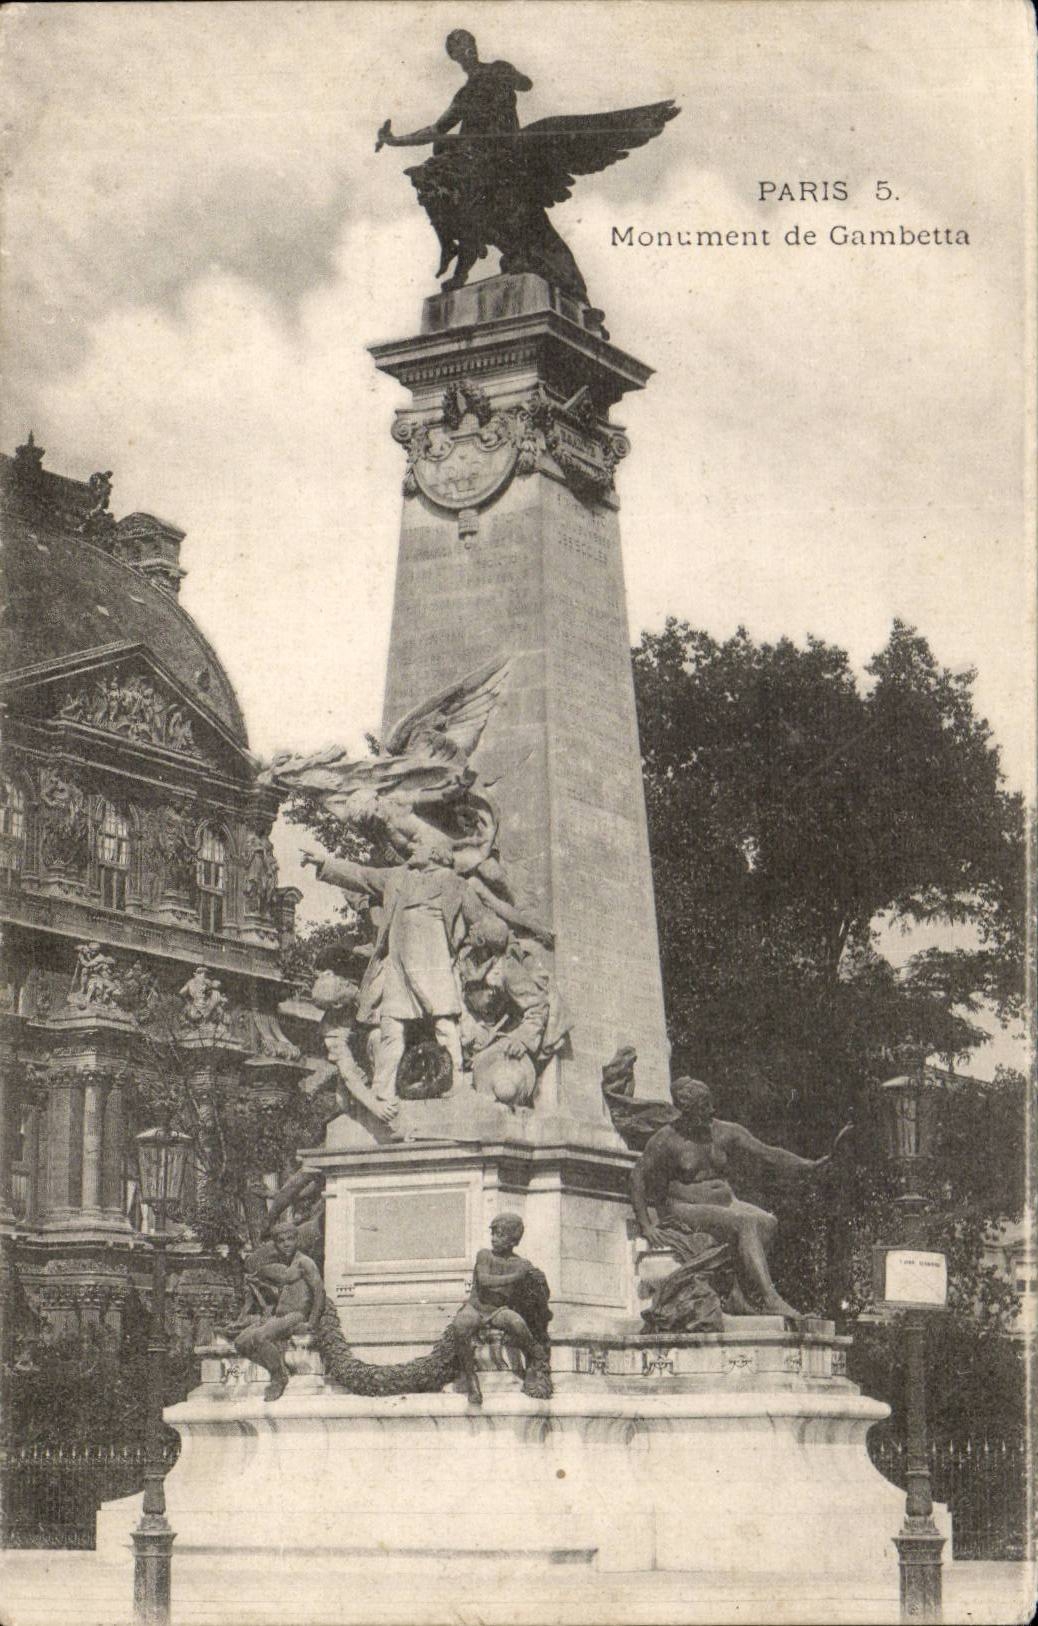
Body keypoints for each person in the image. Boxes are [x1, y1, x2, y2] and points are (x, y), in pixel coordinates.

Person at [630, 1077, 852, 1321]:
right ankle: (770, 1299)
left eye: (710, 1103)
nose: (711, 1110)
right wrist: (646, 1224)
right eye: (703, 1106)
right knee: (744, 1223)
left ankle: (738, 1295)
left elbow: (766, 1152)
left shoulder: (725, 1131)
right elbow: (638, 1175)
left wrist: (807, 1165)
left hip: (726, 1202)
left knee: (767, 1222)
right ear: (687, 1110)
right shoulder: (666, 1139)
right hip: (684, 1207)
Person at [451, 1212, 551, 1406]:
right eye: (494, 1234)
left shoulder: (521, 1264)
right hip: (476, 1307)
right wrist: (517, 1276)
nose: (494, 1239)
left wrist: (538, 1280)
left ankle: (536, 1357)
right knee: (460, 1325)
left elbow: (542, 1291)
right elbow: (485, 1281)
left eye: (501, 1235)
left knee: (517, 1323)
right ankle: (472, 1380)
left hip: (498, 1310)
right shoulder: (485, 1255)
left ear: (513, 1240)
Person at [233, 1220, 325, 1401]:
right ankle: (277, 1366)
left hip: (296, 1315)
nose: (286, 1244)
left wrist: (311, 1323)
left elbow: (319, 1292)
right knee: (240, 1342)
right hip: (279, 1316)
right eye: (281, 1241)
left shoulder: (304, 1263)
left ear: (297, 1239)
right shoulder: (286, 1265)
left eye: (290, 1239)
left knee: (260, 1337)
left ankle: (278, 1377)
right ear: (275, 1243)